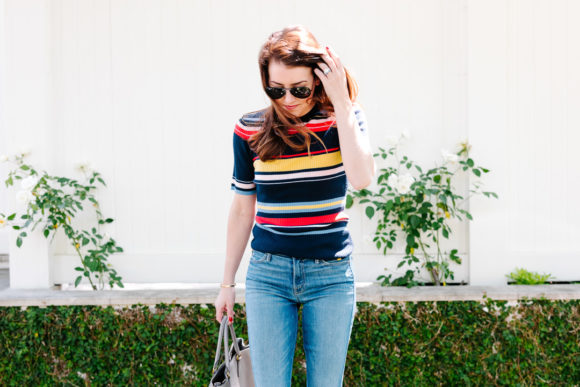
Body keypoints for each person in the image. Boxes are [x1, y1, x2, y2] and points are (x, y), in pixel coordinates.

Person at [214, 24, 375, 387]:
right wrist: (227, 283)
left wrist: (343, 101)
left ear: (318, 80)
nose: (287, 99)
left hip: (330, 275)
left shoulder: (342, 121)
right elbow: (243, 209)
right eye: (276, 89)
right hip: (268, 275)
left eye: (299, 89)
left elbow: (362, 178)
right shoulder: (249, 129)